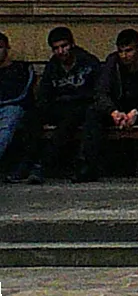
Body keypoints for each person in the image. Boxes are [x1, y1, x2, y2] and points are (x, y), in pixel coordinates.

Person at [79, 28, 138, 181]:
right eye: (121, 51)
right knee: (93, 111)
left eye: (129, 50)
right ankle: (87, 166)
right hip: (120, 111)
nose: (124, 55)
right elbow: (100, 92)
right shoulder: (113, 62)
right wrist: (113, 111)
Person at [28, 25, 101, 182]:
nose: (61, 52)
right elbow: (44, 93)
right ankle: (28, 162)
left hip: (81, 106)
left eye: (64, 46)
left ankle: (44, 164)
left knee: (69, 121)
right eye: (56, 48)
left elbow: (97, 92)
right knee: (32, 116)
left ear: (72, 44)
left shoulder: (88, 62)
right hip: (58, 105)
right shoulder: (53, 66)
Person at [0, 34, 33, 180]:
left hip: (12, 108)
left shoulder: (20, 68)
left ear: (7, 48)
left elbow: (21, 95)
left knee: (7, 125)